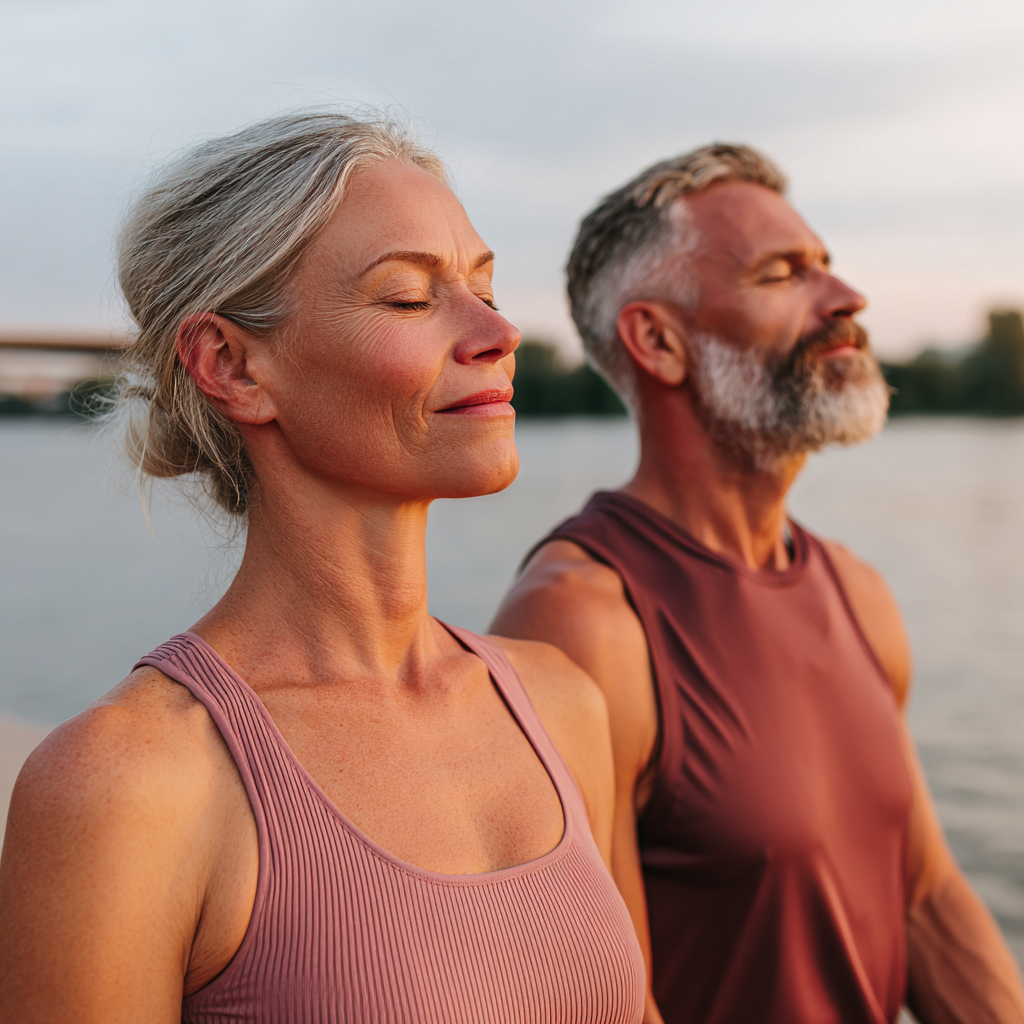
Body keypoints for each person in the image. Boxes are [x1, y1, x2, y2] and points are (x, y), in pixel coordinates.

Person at [0, 111, 646, 1024]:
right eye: (410, 299)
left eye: (484, 286)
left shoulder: (561, 704)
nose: (497, 330)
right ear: (231, 365)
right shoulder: (128, 785)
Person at [491, 144, 1024, 1024]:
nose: (845, 297)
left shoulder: (856, 591)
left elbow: (924, 899)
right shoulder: (581, 622)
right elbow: (599, 1003)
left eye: (825, 263)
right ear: (658, 341)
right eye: (784, 273)